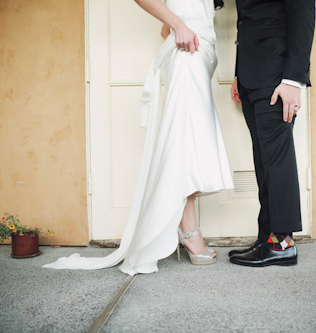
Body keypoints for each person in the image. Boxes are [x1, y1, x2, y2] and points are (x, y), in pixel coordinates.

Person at [42, 0, 233, 276]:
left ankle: (187, 229)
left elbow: (166, 28)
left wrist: (176, 25)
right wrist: (179, 24)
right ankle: (190, 232)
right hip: (188, 51)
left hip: (198, 50)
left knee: (188, 142)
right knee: (184, 143)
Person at [228, 0, 315, 267]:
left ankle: (282, 244)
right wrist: (238, 75)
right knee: (264, 161)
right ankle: (268, 237)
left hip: (277, 75)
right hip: (252, 74)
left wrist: (293, 79)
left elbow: (303, 12)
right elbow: (248, 20)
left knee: (277, 160)